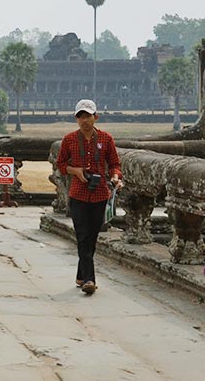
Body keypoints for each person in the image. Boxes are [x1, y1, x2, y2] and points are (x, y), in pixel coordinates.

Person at [55, 99, 122, 295]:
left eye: (88, 116)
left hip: (100, 193)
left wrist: (116, 177)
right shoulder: (69, 140)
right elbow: (60, 165)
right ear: (76, 119)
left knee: (91, 237)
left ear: (96, 117)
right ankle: (89, 279)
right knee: (82, 235)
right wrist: (75, 170)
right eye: (80, 117)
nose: (84, 120)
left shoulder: (106, 139)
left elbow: (114, 164)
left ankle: (80, 274)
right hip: (78, 194)